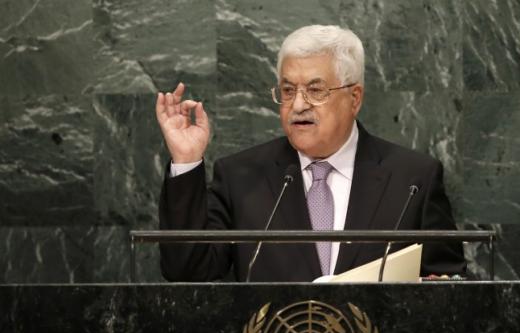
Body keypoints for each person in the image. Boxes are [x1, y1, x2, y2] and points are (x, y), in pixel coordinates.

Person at [156, 24, 465, 282]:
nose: (299, 105)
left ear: (354, 98)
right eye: (288, 91)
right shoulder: (241, 177)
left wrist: (440, 289)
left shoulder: (413, 179)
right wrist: (186, 161)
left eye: (316, 90)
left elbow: (448, 283)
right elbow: (186, 273)